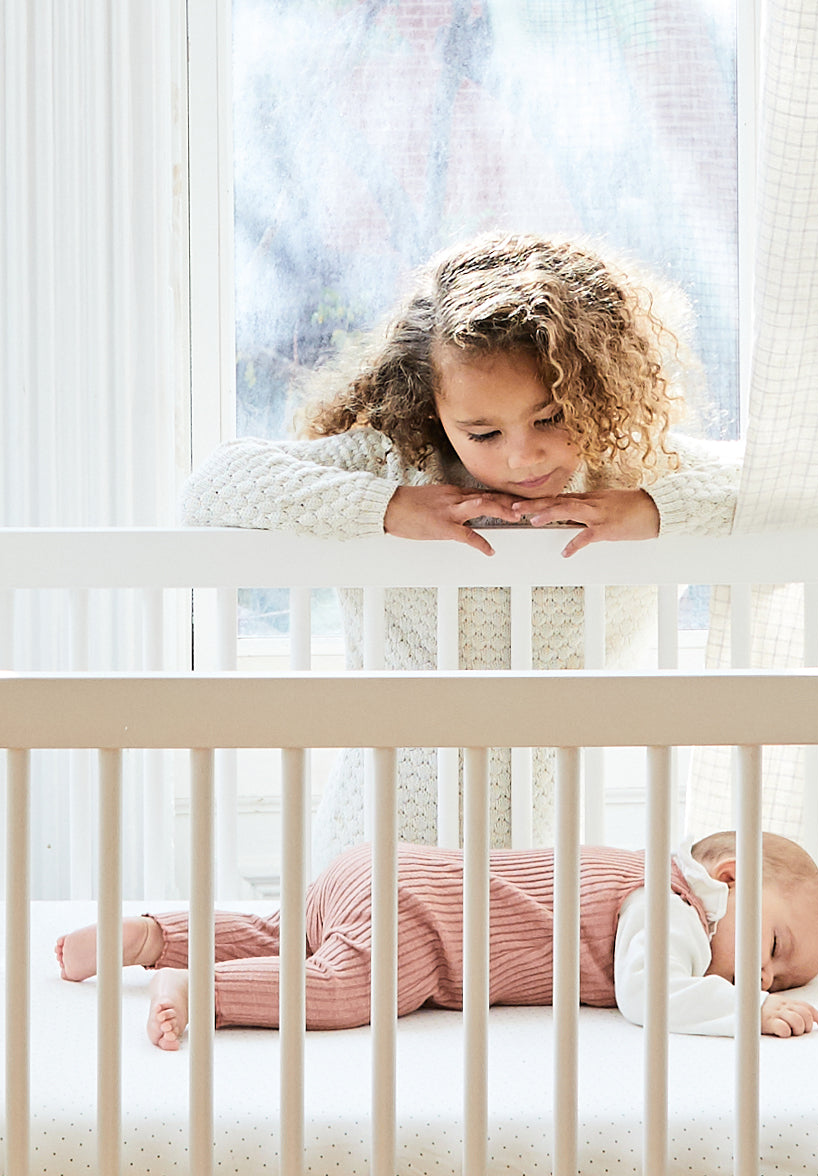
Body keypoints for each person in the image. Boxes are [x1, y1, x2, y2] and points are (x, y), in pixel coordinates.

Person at [180, 231, 741, 861]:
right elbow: (213, 483)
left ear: (598, 392)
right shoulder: (400, 468)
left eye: (550, 418)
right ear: (435, 412)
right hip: (385, 842)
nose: (522, 455)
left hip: (547, 851)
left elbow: (816, 492)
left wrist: (655, 510)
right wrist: (385, 510)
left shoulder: (631, 475)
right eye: (483, 432)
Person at [55, 830, 818, 1050]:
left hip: (383, 868)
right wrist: (742, 1014)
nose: (762, 979)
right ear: (728, 878)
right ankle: (204, 989)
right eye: (774, 950)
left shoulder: (653, 876)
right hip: (424, 919)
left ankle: (151, 938)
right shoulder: (673, 907)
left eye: (779, 984)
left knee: (283, 930)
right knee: (342, 986)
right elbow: (651, 996)